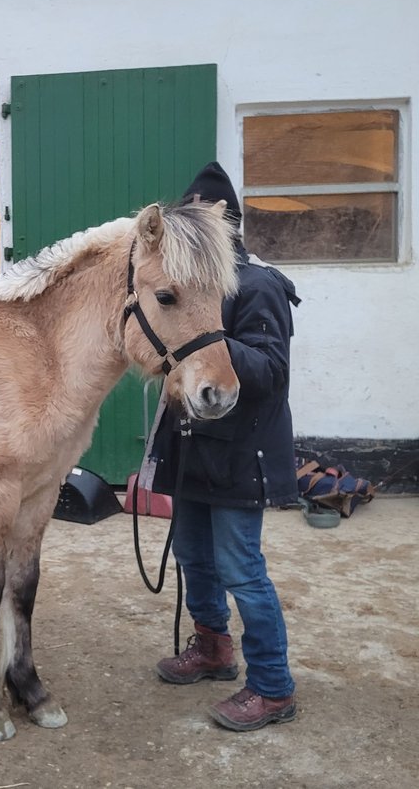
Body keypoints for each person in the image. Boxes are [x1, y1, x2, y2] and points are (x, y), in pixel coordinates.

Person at [150, 161, 302, 731]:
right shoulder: (189, 290)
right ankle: (213, 647)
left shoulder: (258, 286)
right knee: (194, 559)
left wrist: (210, 347)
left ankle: (272, 687)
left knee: (242, 569)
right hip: (193, 451)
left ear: (224, 227)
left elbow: (270, 370)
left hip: (240, 456)